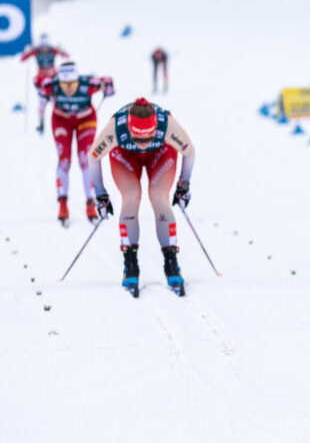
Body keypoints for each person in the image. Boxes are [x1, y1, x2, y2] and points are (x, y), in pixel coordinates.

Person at [87, 97, 195, 291]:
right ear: (129, 129)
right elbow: (93, 157)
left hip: (161, 152)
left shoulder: (167, 125)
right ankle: (130, 263)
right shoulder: (116, 129)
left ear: (155, 129)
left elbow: (189, 151)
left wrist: (183, 186)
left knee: (158, 195)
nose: (143, 143)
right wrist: (101, 195)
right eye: (138, 138)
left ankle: (171, 262)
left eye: (148, 138)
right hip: (125, 154)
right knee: (132, 195)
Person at [37, 62, 114, 224]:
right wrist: (40, 118)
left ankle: (91, 203)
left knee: (86, 159)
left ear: (78, 79)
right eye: (64, 84)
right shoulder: (52, 84)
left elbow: (107, 81)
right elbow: (41, 88)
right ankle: (62, 203)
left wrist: (108, 88)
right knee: (64, 160)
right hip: (61, 119)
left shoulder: (88, 83)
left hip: (85, 119)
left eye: (72, 83)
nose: (68, 88)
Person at [21, 34, 70, 133]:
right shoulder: (36, 50)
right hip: (41, 82)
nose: (44, 49)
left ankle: (61, 122)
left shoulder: (52, 50)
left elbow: (66, 56)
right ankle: (41, 124)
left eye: (46, 46)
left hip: (53, 82)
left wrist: (61, 49)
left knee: (55, 103)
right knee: (42, 104)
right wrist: (26, 51)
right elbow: (23, 59)